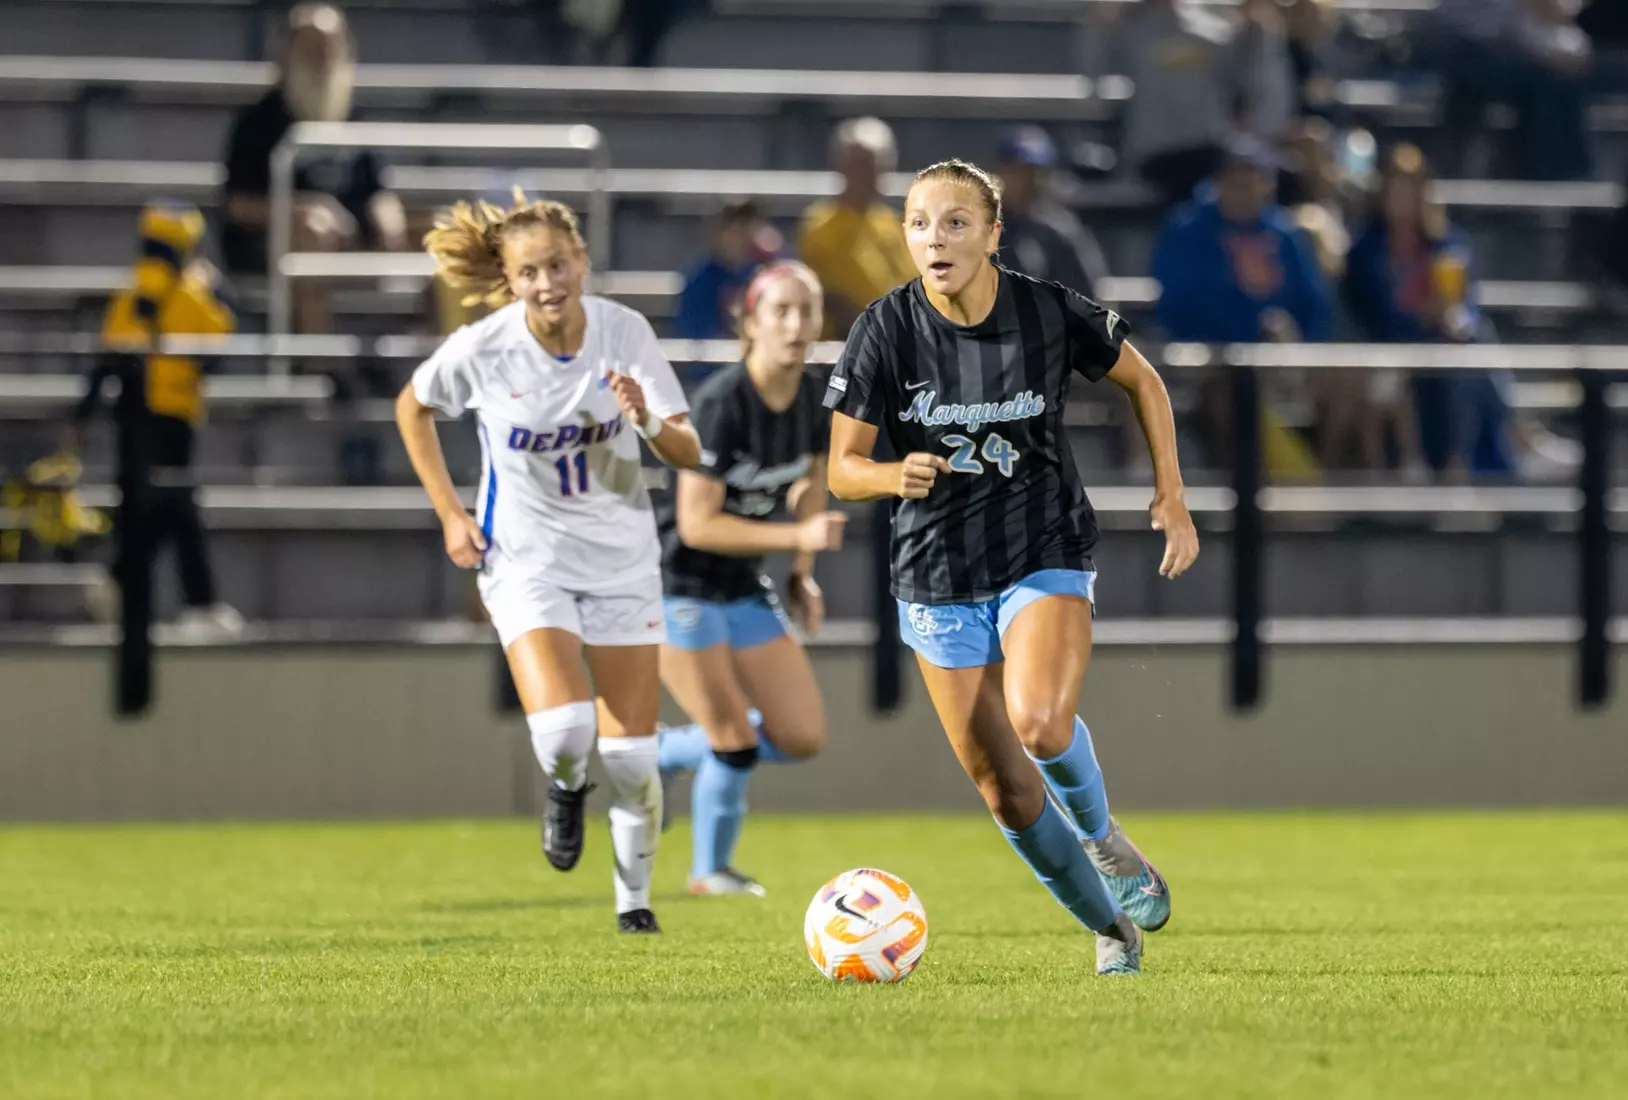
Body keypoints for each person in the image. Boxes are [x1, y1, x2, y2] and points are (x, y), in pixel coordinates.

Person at [824, 159, 1200, 977]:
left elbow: (1144, 381)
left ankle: (1103, 839)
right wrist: (890, 475)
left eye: (956, 222)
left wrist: (1171, 495)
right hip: (935, 573)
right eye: (920, 223)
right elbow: (841, 470)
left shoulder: (1045, 310)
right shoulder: (883, 329)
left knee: (1040, 724)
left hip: (1042, 548)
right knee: (1006, 790)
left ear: (994, 235)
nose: (935, 239)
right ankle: (1112, 928)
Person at [395, 192, 703, 934]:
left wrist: (645, 418)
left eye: (558, 266)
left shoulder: (623, 333)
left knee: (632, 758)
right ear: (509, 279)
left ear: (582, 262)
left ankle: (634, 906)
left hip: (622, 559)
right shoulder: (485, 348)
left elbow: (689, 451)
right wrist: (450, 514)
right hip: (526, 559)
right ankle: (566, 787)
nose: (546, 284)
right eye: (529, 272)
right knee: (565, 731)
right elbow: (412, 406)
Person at [653, 261, 843, 896]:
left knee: (801, 736)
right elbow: (696, 524)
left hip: (742, 583)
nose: (795, 324)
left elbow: (811, 488)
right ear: (750, 324)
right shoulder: (720, 403)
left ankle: (664, 753)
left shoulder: (817, 399)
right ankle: (710, 872)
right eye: (780, 311)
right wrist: (795, 541)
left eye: (806, 311)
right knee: (733, 738)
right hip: (679, 585)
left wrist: (802, 575)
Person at [67, 201, 243, 635]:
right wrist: (215, 290)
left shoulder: (129, 296)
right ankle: (198, 604)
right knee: (176, 508)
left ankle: (119, 584)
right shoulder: (192, 296)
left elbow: (105, 362)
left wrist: (82, 416)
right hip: (173, 419)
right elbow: (217, 355)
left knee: (147, 509)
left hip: (130, 419)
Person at [221, 3, 408, 332]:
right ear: (288, 52)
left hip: (350, 238)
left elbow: (378, 188)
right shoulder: (259, 121)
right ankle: (317, 356)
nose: (323, 57)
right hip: (270, 246)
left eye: (332, 46)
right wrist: (302, 210)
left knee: (447, 234)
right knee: (311, 233)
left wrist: (387, 217)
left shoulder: (353, 117)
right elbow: (237, 205)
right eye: (313, 46)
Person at [1153, 140, 1331, 477]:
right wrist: (1241, 328)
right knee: (1230, 392)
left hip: (1279, 354)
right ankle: (1248, 488)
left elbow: (1314, 303)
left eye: (1254, 180)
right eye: (1236, 180)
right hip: (1208, 353)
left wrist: (1294, 335)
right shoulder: (1187, 230)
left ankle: (1334, 483)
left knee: (1345, 383)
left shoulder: (1284, 234)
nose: (1245, 189)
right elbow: (1176, 303)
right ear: (1220, 182)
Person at [798, 117, 917, 338]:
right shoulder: (820, 224)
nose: (866, 175)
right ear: (841, 167)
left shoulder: (892, 224)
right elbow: (828, 296)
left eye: (875, 166)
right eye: (858, 165)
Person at [991, 126, 1109, 298]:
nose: (1027, 182)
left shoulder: (1060, 231)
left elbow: (1088, 295)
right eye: (1017, 172)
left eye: (1034, 174)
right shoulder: (981, 224)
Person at [675, 200, 782, 340]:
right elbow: (694, 333)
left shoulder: (767, 275)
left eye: (746, 224)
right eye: (733, 227)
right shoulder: (700, 278)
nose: (740, 235)